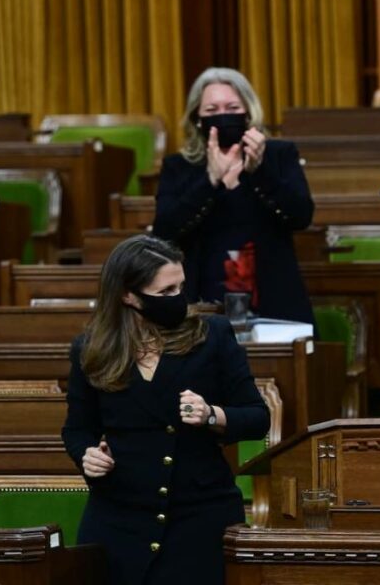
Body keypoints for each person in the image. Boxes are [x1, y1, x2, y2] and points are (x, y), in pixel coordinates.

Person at [61, 234, 270, 584]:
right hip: (120, 519)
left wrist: (212, 415)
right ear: (128, 295)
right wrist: (86, 455)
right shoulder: (91, 350)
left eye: (181, 287)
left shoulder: (212, 335)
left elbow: (257, 417)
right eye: (165, 292)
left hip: (199, 516)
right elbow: (77, 429)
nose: (178, 299)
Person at [152, 67, 314, 324]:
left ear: (248, 112)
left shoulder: (279, 155)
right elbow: (164, 230)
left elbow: (301, 216)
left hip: (274, 299)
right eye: (212, 110)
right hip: (201, 301)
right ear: (197, 118)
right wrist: (210, 180)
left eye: (232, 107)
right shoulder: (179, 166)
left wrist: (260, 171)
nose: (223, 116)